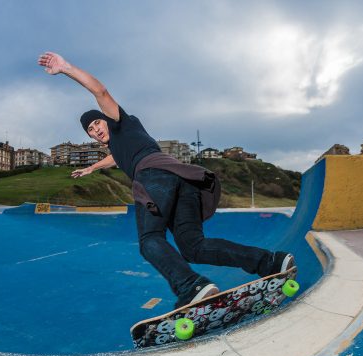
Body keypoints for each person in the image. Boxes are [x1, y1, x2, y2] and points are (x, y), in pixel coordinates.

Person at [38, 52, 296, 309]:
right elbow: (115, 159)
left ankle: (190, 286)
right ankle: (271, 261)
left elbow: (101, 92)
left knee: (150, 240)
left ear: (106, 118)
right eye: (91, 131)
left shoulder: (120, 122)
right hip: (183, 182)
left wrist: (66, 68)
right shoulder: (122, 143)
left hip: (154, 179)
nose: (96, 130)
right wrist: (91, 168)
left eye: (97, 123)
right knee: (194, 247)